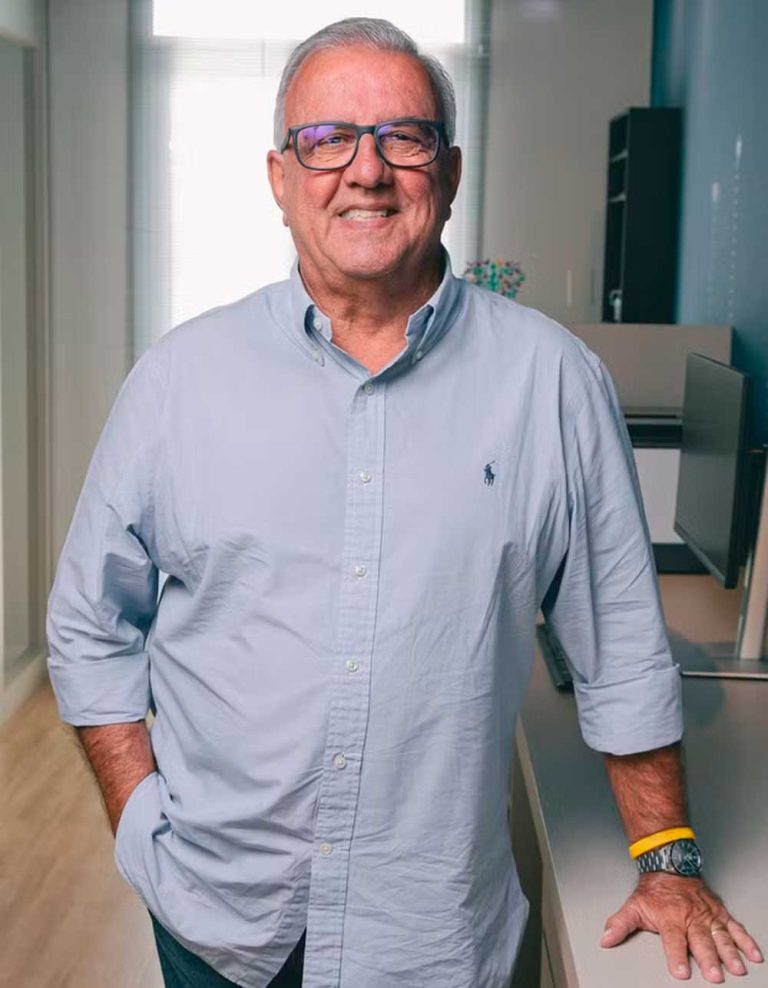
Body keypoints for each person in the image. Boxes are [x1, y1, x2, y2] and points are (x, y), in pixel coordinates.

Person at [46, 17, 762, 988]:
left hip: (427, 937)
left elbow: (622, 647)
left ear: (450, 172)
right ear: (280, 177)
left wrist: (667, 860)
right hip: (215, 922)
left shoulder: (552, 382)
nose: (367, 170)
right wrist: (137, 816)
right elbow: (90, 626)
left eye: (405, 138)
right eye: (327, 138)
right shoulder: (179, 381)